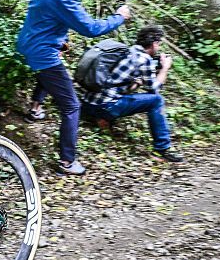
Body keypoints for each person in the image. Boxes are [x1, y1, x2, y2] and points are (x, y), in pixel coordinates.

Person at [15, 0, 131, 176]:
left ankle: (35, 110)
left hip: (32, 44)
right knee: (71, 105)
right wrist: (120, 17)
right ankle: (67, 162)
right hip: (42, 52)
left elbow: (46, 19)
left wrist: (61, 40)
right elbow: (90, 28)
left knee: (50, 72)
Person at [79, 25, 184, 162]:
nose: (158, 48)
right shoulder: (144, 59)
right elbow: (154, 90)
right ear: (154, 43)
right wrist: (164, 69)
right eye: (158, 44)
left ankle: (101, 119)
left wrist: (136, 83)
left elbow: (117, 84)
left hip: (87, 103)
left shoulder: (128, 51)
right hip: (105, 106)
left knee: (123, 98)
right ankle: (162, 149)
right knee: (157, 101)